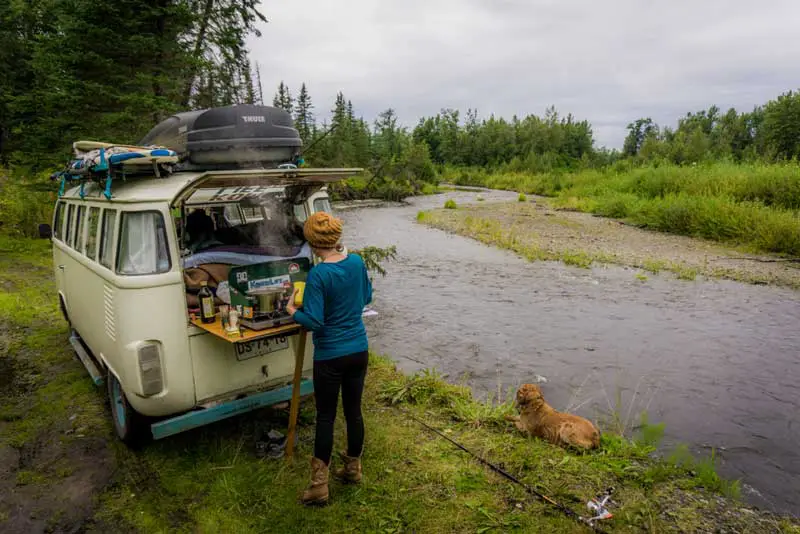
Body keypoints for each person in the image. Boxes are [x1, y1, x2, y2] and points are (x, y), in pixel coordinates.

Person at [286, 211, 372, 506]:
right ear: (336, 238)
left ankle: (319, 487)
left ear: (312, 243)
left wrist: (293, 312)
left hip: (331, 356)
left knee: (326, 416)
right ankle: (352, 469)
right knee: (354, 412)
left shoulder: (319, 274)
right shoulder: (358, 261)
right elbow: (367, 297)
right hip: (359, 350)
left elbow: (315, 322)